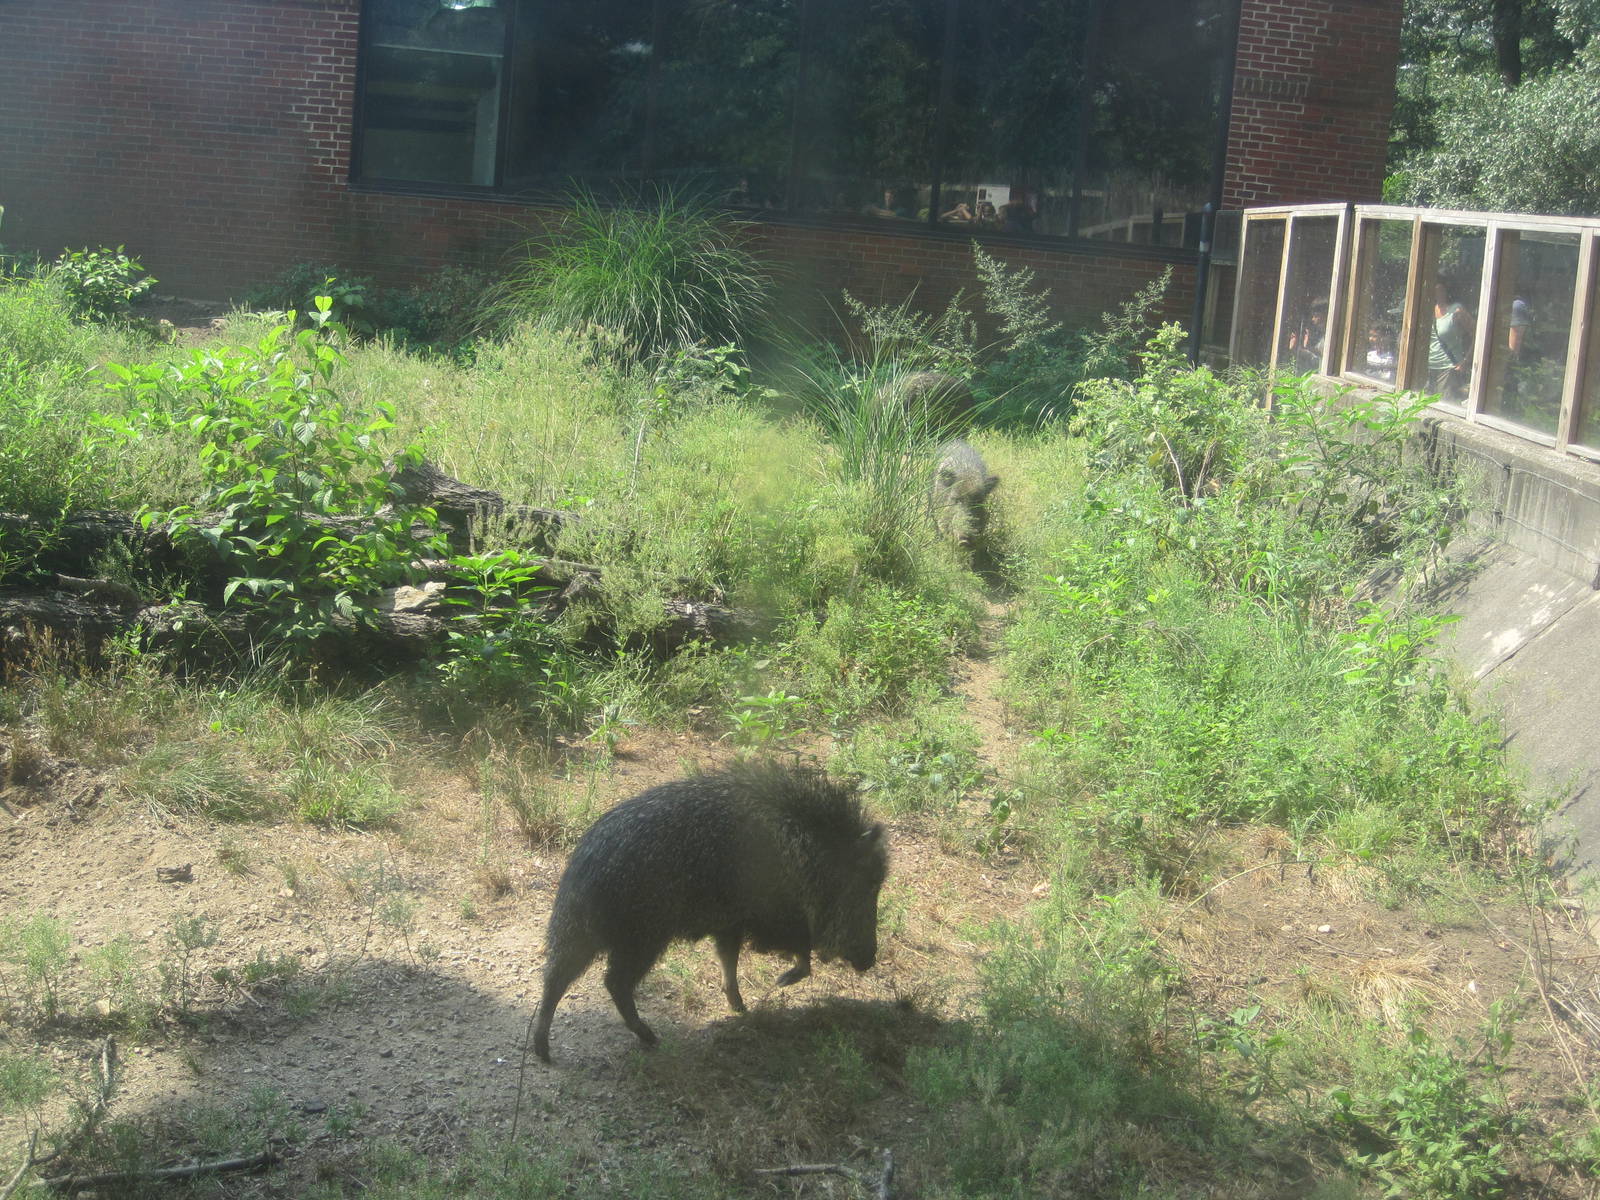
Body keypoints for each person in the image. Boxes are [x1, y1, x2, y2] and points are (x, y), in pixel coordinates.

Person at [1427, 277, 1475, 403]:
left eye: (1440, 290)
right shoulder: (1428, 310)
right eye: (1434, 291)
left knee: (1445, 404)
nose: (1437, 294)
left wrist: (1466, 361)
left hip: (1449, 368)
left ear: (1446, 291)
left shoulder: (1456, 310)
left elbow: (1477, 335)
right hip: (1428, 367)